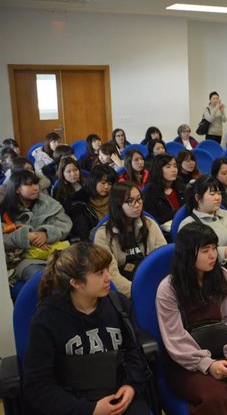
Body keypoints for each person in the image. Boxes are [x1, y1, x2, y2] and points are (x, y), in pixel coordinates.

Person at [23, 243, 150, 415]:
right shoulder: (46, 319)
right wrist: (90, 410)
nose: (109, 278)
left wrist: (131, 385)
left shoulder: (119, 305)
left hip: (118, 394)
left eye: (107, 270)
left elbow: (133, 352)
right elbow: (38, 385)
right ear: (75, 283)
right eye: (99, 273)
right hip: (75, 404)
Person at [157, 223, 227, 414]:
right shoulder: (169, 288)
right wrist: (208, 365)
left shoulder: (224, 277)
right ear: (187, 254)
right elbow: (175, 337)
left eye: (213, 248)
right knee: (216, 397)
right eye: (205, 250)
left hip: (226, 351)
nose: (212, 255)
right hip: (188, 362)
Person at [94, 181, 166, 297]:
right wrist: (140, 293)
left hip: (153, 283)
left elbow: (162, 260)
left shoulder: (149, 224)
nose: (137, 205)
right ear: (118, 205)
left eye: (138, 199)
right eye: (130, 201)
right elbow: (111, 276)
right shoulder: (103, 235)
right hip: (126, 291)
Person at [1, 170, 72, 282]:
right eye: (29, 185)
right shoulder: (4, 211)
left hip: (54, 250)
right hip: (23, 259)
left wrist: (45, 233)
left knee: (78, 269)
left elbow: (65, 223)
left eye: (36, 183)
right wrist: (27, 236)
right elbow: (3, 240)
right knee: (43, 277)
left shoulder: (48, 203)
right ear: (17, 189)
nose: (35, 188)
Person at [180, 175, 227, 266]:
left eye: (219, 193)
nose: (217, 198)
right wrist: (226, 251)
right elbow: (192, 257)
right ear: (198, 198)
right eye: (212, 194)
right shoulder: (188, 225)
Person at [65, 164, 116, 242]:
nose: (106, 187)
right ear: (93, 181)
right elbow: (84, 235)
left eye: (110, 184)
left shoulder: (116, 198)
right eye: (103, 183)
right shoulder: (79, 204)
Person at [143, 153, 185, 231]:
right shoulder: (149, 192)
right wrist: (178, 214)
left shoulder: (180, 186)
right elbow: (152, 220)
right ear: (158, 170)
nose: (174, 170)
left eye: (175, 166)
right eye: (168, 167)